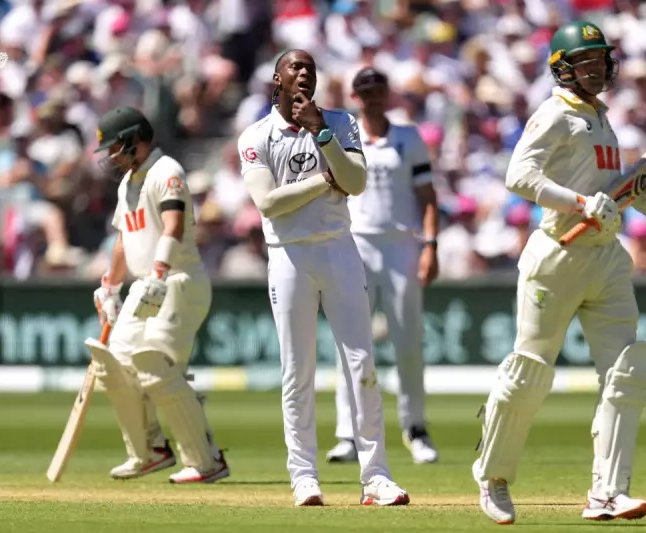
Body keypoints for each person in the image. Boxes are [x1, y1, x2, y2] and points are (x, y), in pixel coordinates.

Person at [471, 21, 646, 524]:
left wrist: (637, 195)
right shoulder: (555, 114)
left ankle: (607, 493)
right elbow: (519, 175)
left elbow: (608, 193)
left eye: (601, 58)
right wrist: (582, 203)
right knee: (529, 373)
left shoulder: (601, 118)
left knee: (627, 371)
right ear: (562, 68)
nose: (597, 67)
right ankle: (492, 476)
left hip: (605, 257)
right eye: (586, 60)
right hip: (558, 254)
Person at [237, 49, 409, 507]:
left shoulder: (341, 122)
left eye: (310, 67)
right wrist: (321, 182)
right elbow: (269, 204)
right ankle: (304, 477)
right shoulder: (256, 135)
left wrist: (323, 133)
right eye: (295, 66)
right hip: (288, 256)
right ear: (277, 78)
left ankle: (375, 477)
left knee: (361, 364)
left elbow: (355, 182)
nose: (305, 72)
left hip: (339, 248)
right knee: (298, 371)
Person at [91, 106, 230, 484]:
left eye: (116, 148)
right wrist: (109, 285)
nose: (112, 158)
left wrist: (159, 271)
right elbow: (125, 239)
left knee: (153, 365)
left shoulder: (167, 171)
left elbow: (173, 225)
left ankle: (206, 460)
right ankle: (149, 450)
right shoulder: (127, 183)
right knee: (113, 366)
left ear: (135, 139)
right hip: (144, 286)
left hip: (179, 280)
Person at [325, 67, 440, 465]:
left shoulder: (408, 137)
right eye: (365, 91)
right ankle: (348, 434)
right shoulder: (344, 136)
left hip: (401, 245)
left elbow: (427, 196)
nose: (372, 97)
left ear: (387, 94)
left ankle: (415, 427)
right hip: (355, 243)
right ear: (355, 97)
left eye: (378, 90)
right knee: (352, 341)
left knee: (408, 340)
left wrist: (430, 246)